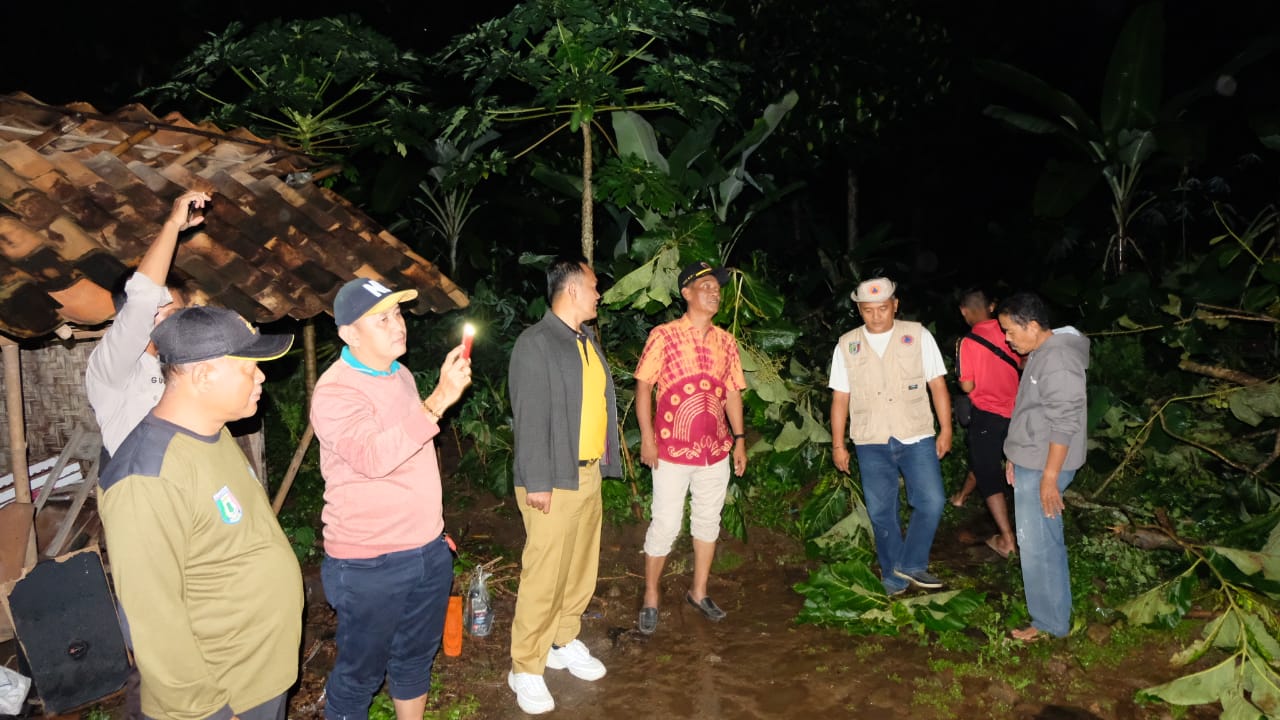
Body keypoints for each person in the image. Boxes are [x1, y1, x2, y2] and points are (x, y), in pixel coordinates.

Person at [97, 306, 300, 720]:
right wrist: (210, 711)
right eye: (249, 368)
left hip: (259, 678)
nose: (261, 376)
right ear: (204, 376)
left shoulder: (214, 434)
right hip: (220, 700)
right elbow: (152, 620)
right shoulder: (146, 477)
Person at [310, 278, 472, 720]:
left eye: (397, 314)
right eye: (381, 319)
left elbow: (411, 452)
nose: (397, 325)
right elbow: (374, 457)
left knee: (415, 661)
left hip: (426, 551)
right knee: (359, 675)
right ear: (349, 333)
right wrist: (439, 400)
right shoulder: (336, 391)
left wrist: (432, 534)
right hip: (369, 564)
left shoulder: (399, 375)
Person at [506, 256, 620, 715]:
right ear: (571, 289)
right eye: (593, 286)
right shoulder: (536, 343)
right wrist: (537, 480)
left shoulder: (585, 340)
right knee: (544, 574)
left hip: (585, 473)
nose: (598, 294)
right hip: (550, 477)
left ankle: (562, 640)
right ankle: (525, 667)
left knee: (578, 568)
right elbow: (530, 417)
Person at [635, 261, 749, 635]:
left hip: (714, 450)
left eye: (717, 288)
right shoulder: (664, 335)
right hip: (670, 450)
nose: (715, 292)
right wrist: (648, 439)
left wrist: (740, 440)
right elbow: (644, 388)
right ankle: (651, 594)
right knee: (665, 523)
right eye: (706, 286)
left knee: (707, 520)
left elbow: (732, 391)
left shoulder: (726, 342)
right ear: (686, 293)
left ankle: (698, 592)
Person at [828, 277, 952, 596]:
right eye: (868, 310)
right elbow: (840, 398)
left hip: (916, 434)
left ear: (895, 305)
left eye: (883, 308)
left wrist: (947, 428)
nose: (877, 316)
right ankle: (893, 575)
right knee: (882, 510)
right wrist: (838, 444)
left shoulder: (917, 335)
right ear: (859, 310)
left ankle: (910, 563)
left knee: (932, 500)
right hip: (871, 440)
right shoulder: (847, 344)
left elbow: (937, 385)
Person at [86, 190, 212, 457]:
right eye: (169, 312)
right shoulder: (112, 366)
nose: (180, 322)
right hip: (139, 489)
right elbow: (142, 299)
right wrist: (172, 226)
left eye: (181, 312)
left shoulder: (177, 364)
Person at [997, 292, 1090, 641]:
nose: (1007, 339)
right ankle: (1050, 615)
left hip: (1044, 466)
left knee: (1038, 544)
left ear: (1033, 326)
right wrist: (1015, 456)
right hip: (1032, 459)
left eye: (1010, 331)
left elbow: (1064, 422)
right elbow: (1031, 411)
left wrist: (1048, 477)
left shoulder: (1059, 360)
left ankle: (1050, 623)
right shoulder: (1040, 352)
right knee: (1036, 540)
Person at [955, 288, 1021, 558]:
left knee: (987, 470)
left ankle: (1007, 540)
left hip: (988, 415)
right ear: (991, 307)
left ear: (963, 312)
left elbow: (966, 384)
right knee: (987, 459)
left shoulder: (967, 343)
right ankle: (961, 497)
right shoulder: (1010, 329)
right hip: (1019, 413)